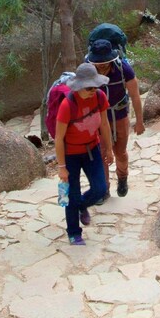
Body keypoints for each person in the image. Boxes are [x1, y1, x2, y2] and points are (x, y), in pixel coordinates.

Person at [55, 63, 112, 246]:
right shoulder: (67, 105)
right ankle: (74, 233)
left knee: (100, 188)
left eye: (95, 87)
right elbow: (58, 138)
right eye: (89, 88)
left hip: (92, 149)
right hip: (71, 154)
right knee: (72, 194)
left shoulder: (100, 97)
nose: (93, 91)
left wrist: (108, 149)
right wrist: (61, 167)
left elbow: (104, 125)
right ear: (79, 86)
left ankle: (81, 205)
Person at [85, 38, 145, 201]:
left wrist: (139, 121)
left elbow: (135, 95)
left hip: (119, 115)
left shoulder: (123, 68)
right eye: (99, 62)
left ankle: (122, 177)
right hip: (97, 117)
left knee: (120, 152)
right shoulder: (88, 71)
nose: (102, 65)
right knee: (102, 153)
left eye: (105, 62)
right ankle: (103, 189)